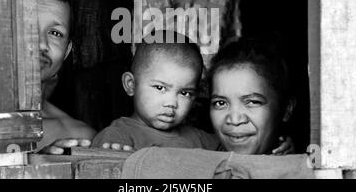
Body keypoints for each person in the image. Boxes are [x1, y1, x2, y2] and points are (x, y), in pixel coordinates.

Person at [92, 30, 293, 153]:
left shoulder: (201, 139)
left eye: (185, 93)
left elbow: (243, 150)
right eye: (160, 88)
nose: (171, 103)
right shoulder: (117, 137)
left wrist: (278, 148)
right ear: (130, 84)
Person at [36, 0, 96, 154]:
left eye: (55, 33)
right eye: (29, 26)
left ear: (67, 51)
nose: (41, 44)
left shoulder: (79, 138)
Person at [208, 36, 296, 155]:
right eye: (221, 103)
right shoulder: (197, 150)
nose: (234, 120)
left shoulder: (305, 164)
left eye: (252, 102)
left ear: (286, 109)